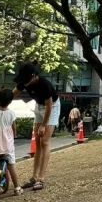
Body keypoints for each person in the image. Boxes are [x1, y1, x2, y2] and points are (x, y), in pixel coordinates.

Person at [12, 62, 61, 192]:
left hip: (52, 107)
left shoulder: (44, 84)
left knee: (44, 141)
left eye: (26, 80)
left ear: (34, 76)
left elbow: (49, 106)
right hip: (38, 106)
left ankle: (41, 178)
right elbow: (12, 95)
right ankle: (34, 176)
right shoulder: (24, 82)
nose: (24, 83)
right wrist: (2, 104)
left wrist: (44, 125)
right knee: (38, 142)